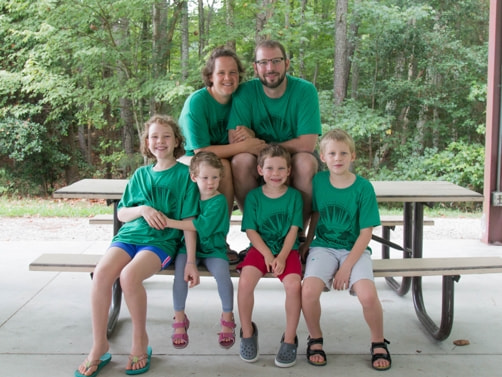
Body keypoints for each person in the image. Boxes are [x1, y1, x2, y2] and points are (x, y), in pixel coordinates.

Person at [75, 115, 200, 377]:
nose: (160, 141)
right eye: (154, 136)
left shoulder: (185, 176)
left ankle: (139, 341)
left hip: (160, 242)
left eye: (166, 136)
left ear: (177, 141)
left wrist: (189, 260)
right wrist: (143, 209)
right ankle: (100, 345)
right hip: (128, 237)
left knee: (129, 276)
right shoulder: (140, 174)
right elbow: (122, 214)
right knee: (101, 274)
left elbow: (190, 222)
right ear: (147, 142)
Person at [300, 129, 392, 371]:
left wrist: (346, 268)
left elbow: (366, 233)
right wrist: (308, 242)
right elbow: (317, 213)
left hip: (355, 249)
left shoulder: (363, 188)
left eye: (343, 153)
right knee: (308, 291)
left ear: (353, 156)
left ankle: (378, 341)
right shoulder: (318, 181)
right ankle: (315, 338)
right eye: (332, 153)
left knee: (368, 296)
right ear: (323, 157)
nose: (337, 158)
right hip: (324, 246)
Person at [178, 46, 266, 264]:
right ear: (210, 76)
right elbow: (201, 151)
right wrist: (245, 146)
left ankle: (258, 236)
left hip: (220, 156)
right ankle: (218, 241)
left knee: (237, 165)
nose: (228, 78)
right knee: (223, 167)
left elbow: (243, 137)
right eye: (221, 73)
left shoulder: (240, 98)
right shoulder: (198, 102)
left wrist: (249, 136)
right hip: (187, 158)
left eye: (233, 72)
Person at [227, 39, 321, 236]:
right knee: (240, 161)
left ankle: (296, 236)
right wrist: (255, 147)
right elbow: (234, 140)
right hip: (258, 161)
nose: (270, 68)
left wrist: (257, 141)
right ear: (255, 67)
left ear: (286, 63)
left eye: (276, 61)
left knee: (305, 162)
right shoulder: (245, 92)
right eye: (263, 62)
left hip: (293, 158)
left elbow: (307, 143)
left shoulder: (305, 91)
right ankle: (257, 233)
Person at [236, 144, 303, 368]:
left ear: (289, 171)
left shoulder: (294, 197)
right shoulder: (253, 197)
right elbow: (251, 230)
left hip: (286, 249)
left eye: (281, 169)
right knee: (245, 282)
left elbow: (294, 229)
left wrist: (282, 256)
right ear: (260, 170)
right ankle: (247, 332)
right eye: (270, 168)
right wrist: (266, 253)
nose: (275, 174)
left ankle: (290, 338)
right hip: (260, 248)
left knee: (294, 286)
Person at [162, 151, 236, 350]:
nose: (210, 182)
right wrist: (190, 261)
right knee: (180, 275)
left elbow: (195, 225)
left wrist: (169, 223)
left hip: (213, 249)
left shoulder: (219, 201)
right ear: (194, 177)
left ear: (220, 178)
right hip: (188, 248)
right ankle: (179, 318)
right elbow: (188, 225)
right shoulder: (191, 194)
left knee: (223, 276)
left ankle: (227, 317)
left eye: (215, 177)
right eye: (205, 177)